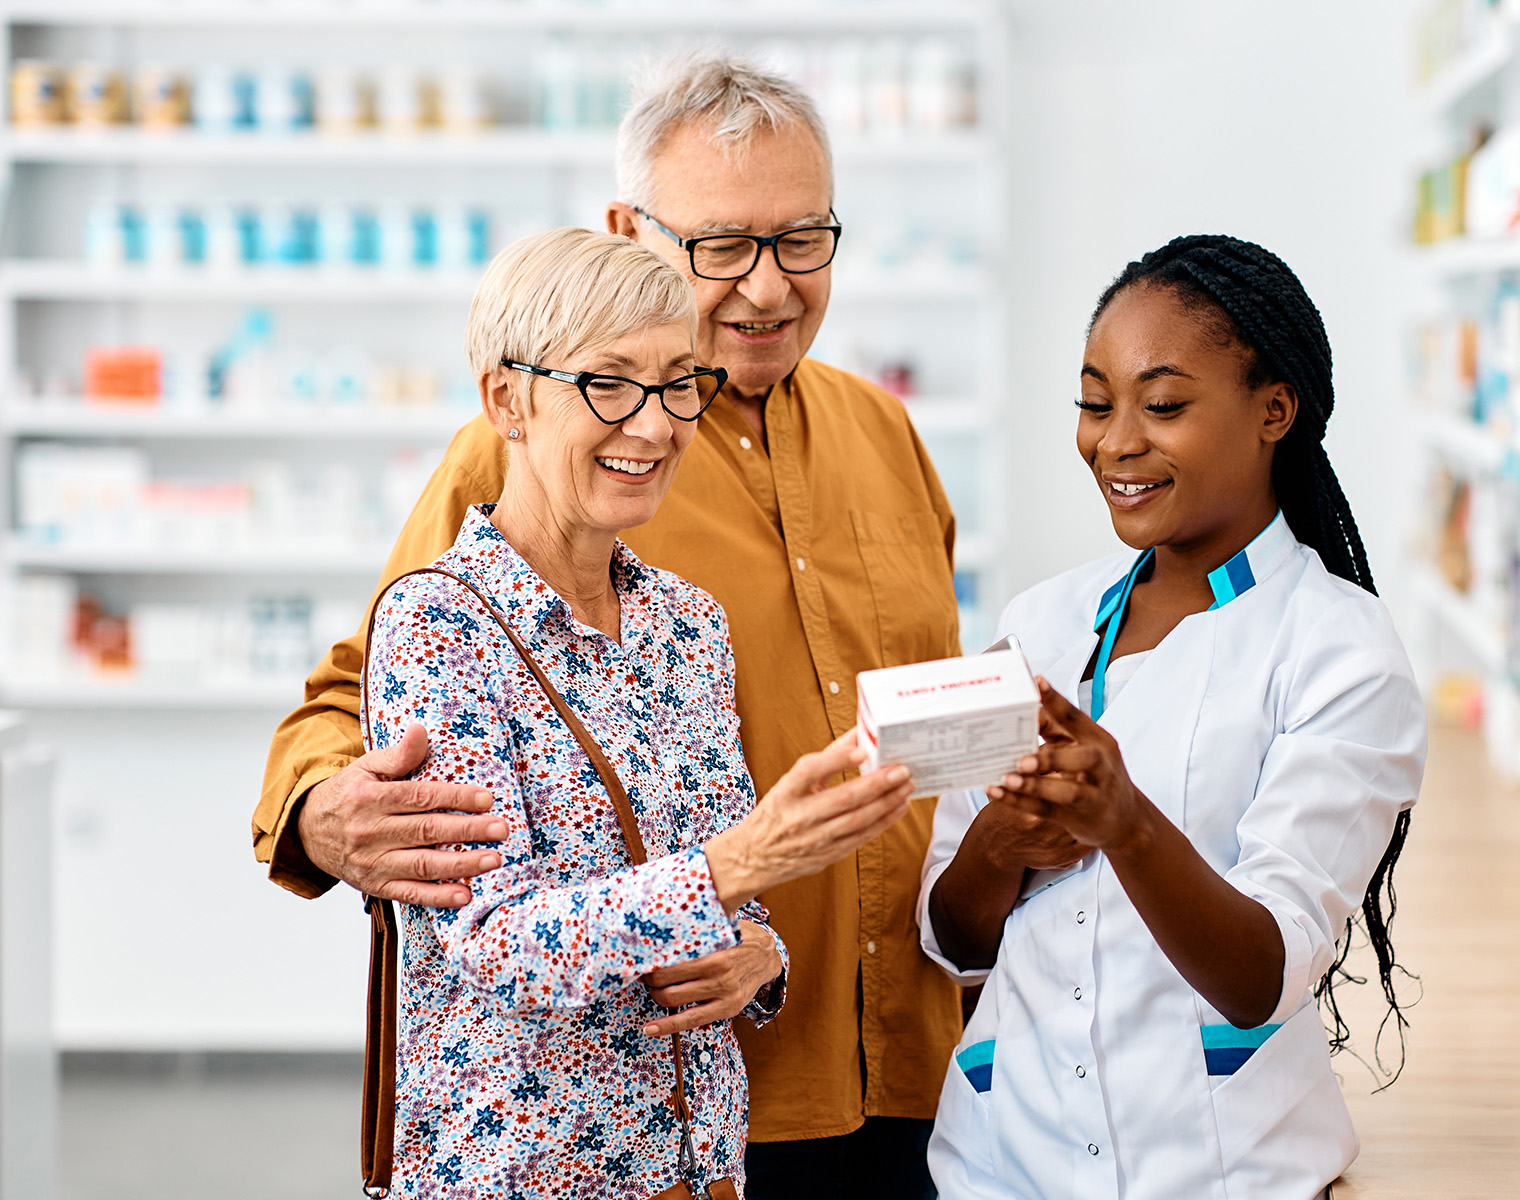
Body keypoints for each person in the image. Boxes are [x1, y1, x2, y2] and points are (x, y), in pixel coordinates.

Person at [254, 54, 1026, 1196]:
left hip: (908, 1061)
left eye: (801, 239)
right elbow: (360, 687)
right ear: (632, 228)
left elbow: (918, 721)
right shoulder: (534, 450)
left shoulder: (887, 436)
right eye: (723, 247)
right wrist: (321, 815)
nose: (767, 288)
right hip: (666, 1090)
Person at [365, 225, 915, 1197]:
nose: (656, 425)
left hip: (698, 1171)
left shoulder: (688, 626)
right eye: (610, 384)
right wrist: (745, 864)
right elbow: (490, 942)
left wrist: (759, 957)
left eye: (677, 385)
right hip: (522, 1175)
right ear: (508, 399)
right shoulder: (438, 625)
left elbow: (725, 906)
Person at [919, 235, 1429, 1198]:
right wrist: (1002, 839)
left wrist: (1125, 823)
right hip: (1000, 1164)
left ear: (1274, 409)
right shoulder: (1042, 625)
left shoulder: (1341, 653)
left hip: (1221, 1170)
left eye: (1163, 405)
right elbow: (953, 939)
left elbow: (1262, 977)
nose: (1115, 441)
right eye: (1094, 403)